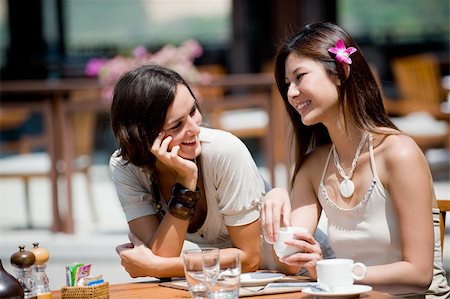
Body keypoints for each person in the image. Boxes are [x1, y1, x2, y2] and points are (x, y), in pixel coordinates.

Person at [260, 22, 449, 297]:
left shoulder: (398, 154)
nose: (290, 93)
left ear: (340, 72)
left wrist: (333, 271)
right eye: (287, 84)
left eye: (300, 77)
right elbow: (288, 262)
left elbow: (419, 274)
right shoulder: (314, 167)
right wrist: (277, 199)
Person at [109, 64, 273, 279]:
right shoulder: (126, 166)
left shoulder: (224, 150)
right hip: (226, 282)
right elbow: (162, 256)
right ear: (142, 135)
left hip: (292, 272)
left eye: (193, 111)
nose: (195, 128)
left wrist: (156, 267)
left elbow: (250, 258)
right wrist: (186, 184)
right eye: (177, 125)